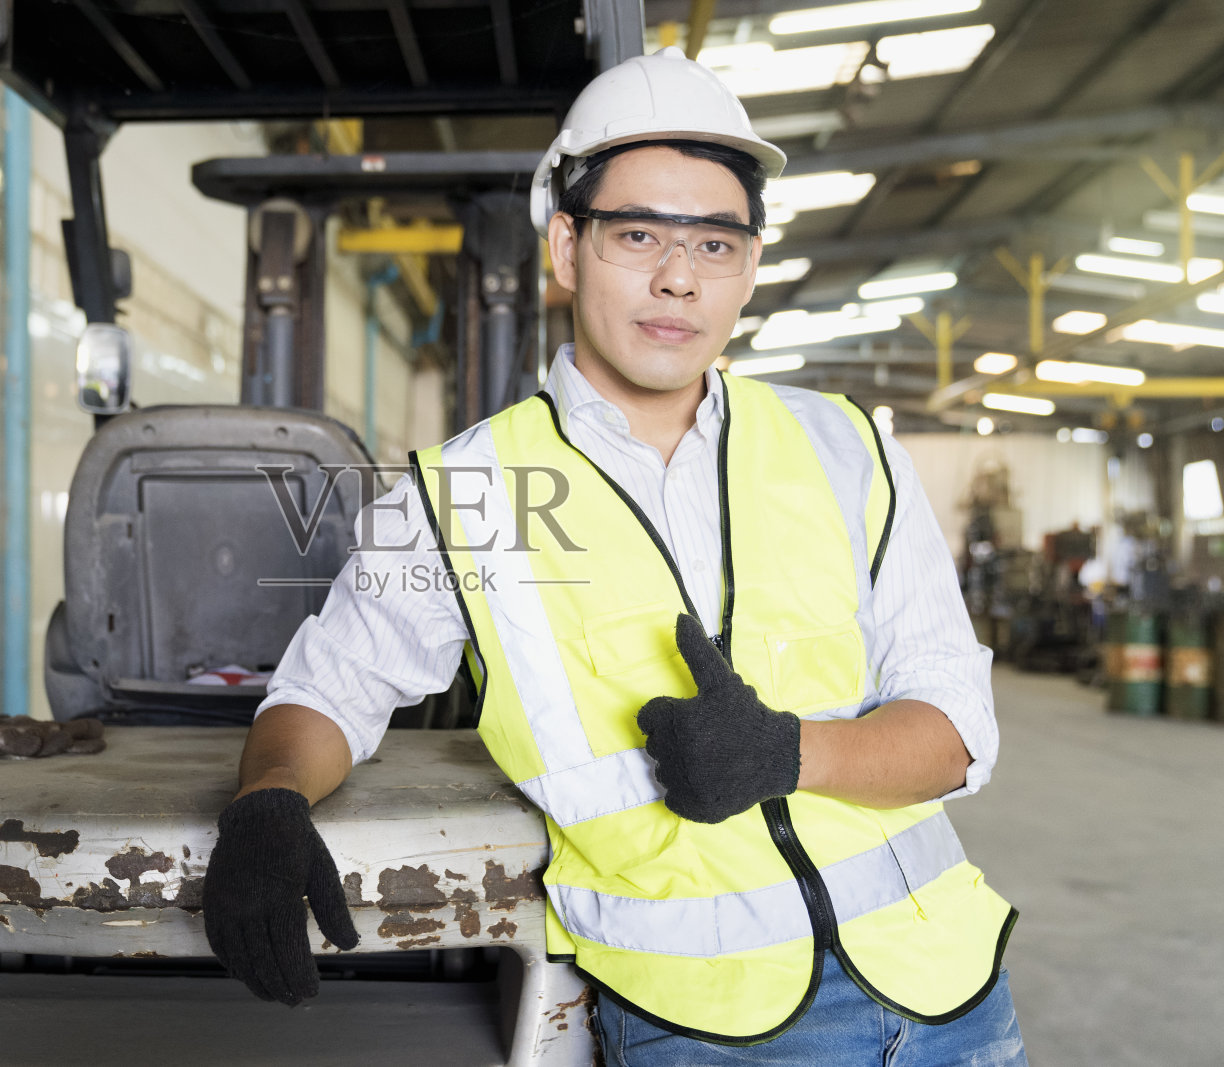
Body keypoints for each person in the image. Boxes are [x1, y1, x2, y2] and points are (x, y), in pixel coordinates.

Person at [202, 47, 1026, 1066]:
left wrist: (788, 752)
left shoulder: (844, 445)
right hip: (704, 1025)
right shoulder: (467, 491)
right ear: (565, 246)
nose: (678, 277)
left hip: (948, 996)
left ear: (750, 267)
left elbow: (955, 731)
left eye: (715, 245)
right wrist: (268, 800)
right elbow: (330, 690)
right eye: (637, 235)